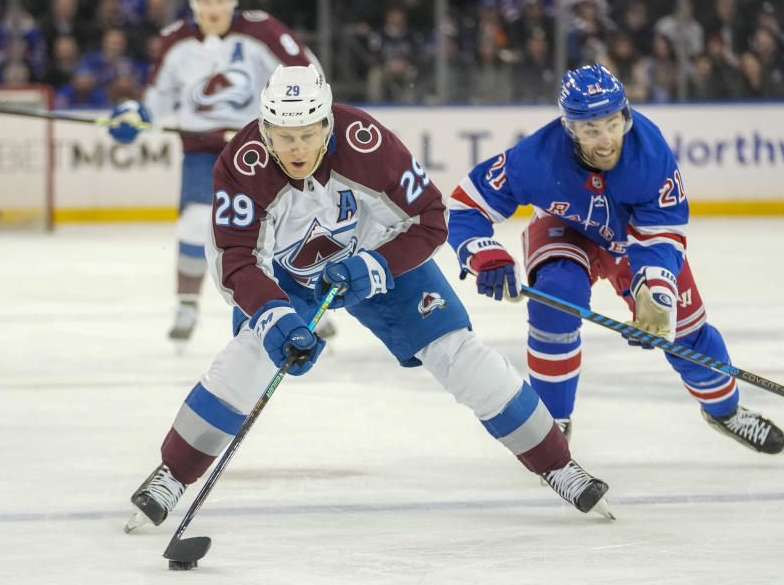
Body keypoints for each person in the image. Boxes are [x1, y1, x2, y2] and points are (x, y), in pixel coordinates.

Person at [123, 65, 612, 533]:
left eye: (309, 134)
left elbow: (430, 218)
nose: (296, 149)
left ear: (328, 123)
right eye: (284, 136)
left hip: (378, 255)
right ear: (265, 129)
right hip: (283, 275)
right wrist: (274, 317)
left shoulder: (367, 143)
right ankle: (170, 475)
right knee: (249, 357)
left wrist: (375, 266)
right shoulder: (241, 164)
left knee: (456, 351)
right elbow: (236, 259)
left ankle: (558, 466)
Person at [446, 63, 784, 455]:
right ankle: (550, 426)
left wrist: (655, 296)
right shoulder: (536, 157)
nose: (606, 140)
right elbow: (467, 205)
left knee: (687, 334)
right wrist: (482, 254)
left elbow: (661, 233)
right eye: (591, 130)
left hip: (632, 243)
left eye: (612, 123)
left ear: (624, 114)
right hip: (566, 229)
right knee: (556, 300)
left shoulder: (650, 154)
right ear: (569, 128)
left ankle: (725, 412)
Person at [107, 0, 324, 351]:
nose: (214, 8)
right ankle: (186, 306)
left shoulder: (263, 31)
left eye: (221, 0)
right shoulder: (176, 41)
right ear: (193, 4)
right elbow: (156, 97)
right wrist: (136, 117)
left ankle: (300, 304)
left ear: (233, 1)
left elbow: (308, 74)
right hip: (201, 150)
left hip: (259, 147)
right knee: (193, 222)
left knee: (281, 226)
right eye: (206, 0)